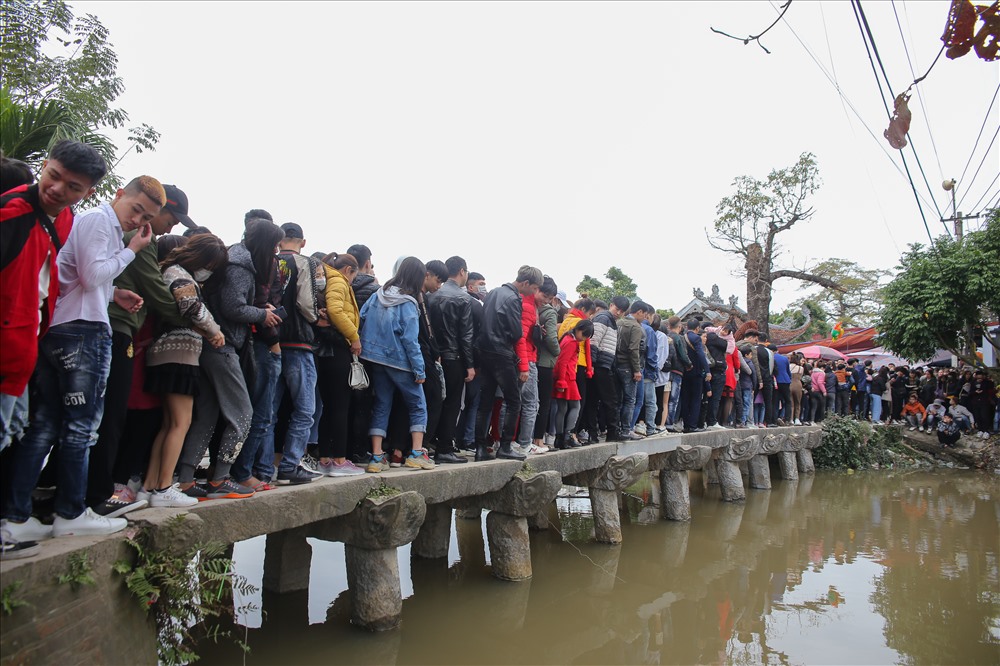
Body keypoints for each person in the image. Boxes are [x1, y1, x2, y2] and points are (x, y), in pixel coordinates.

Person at [3, 175, 162, 540]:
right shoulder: (100, 222)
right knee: (82, 428)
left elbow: (79, 280)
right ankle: (71, 512)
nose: (137, 221)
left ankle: (15, 515)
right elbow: (91, 276)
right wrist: (132, 251)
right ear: (120, 194)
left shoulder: (93, 223)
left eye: (145, 217)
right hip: (82, 334)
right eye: (136, 210)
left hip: (64, 327)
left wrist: (114, 293)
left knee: (44, 426)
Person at [87, 184, 198, 517]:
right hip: (116, 328)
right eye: (171, 217)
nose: (171, 226)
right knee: (109, 417)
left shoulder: (127, 234)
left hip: (113, 323)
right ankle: (96, 496)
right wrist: (197, 318)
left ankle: (88, 493)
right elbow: (157, 292)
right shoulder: (138, 239)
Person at [1, 140, 107, 456]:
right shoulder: (10, 214)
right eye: (54, 175)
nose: (57, 189)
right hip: (7, 346)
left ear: (87, 193)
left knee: (13, 432)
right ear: (45, 164)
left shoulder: (65, 220)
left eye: (73, 186)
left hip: (24, 345)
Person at [178, 219, 284, 500]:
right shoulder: (241, 266)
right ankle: (221, 478)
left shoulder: (237, 260)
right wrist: (262, 315)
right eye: (273, 246)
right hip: (221, 345)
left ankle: (187, 480)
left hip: (216, 344)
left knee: (208, 415)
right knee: (243, 413)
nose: (275, 252)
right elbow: (232, 306)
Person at [142, 234, 228, 507]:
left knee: (168, 425)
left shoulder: (169, 269)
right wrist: (214, 330)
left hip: (166, 352)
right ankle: (165, 487)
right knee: (181, 423)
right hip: (179, 354)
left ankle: (151, 485)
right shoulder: (179, 274)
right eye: (210, 264)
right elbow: (190, 305)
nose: (209, 271)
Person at [359, 257, 435, 471]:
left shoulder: (377, 295)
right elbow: (410, 341)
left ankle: (376, 457)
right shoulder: (408, 303)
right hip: (399, 361)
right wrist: (419, 369)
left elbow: (362, 317)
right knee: (418, 405)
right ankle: (417, 454)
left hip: (374, 357)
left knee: (382, 405)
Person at [473, 265, 543, 461]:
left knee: (485, 402)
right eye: (534, 287)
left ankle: (480, 448)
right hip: (501, 353)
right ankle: (504, 446)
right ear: (526, 283)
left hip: (484, 350)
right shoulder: (514, 298)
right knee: (514, 401)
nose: (534, 292)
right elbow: (516, 332)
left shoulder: (494, 292)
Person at [313, 252, 365, 476]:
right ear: (348, 271)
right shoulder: (338, 281)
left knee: (329, 407)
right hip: (338, 350)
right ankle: (340, 460)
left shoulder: (325, 279)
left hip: (326, 351)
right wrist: (354, 336)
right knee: (340, 407)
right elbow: (336, 310)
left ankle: (325, 459)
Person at [425, 256, 476, 464]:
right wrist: (470, 364)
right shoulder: (463, 299)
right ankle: (445, 447)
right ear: (462, 271)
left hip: (435, 356)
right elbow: (466, 335)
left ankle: (428, 444)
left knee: (435, 402)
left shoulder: (431, 295)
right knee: (453, 403)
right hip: (454, 356)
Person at [553, 320, 595, 448]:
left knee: (562, 408)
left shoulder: (566, 337)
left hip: (563, 376)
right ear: (579, 330)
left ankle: (559, 438)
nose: (584, 339)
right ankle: (568, 435)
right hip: (567, 377)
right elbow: (563, 362)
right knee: (576, 406)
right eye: (585, 335)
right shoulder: (571, 342)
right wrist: (561, 381)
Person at [532, 277, 561, 450]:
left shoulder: (536, 309)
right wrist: (558, 351)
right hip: (545, 362)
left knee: (531, 402)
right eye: (548, 297)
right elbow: (551, 337)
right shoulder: (549, 312)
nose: (549, 301)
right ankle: (538, 439)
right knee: (544, 402)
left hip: (534, 359)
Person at [615, 303, 645, 439]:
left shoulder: (618, 322)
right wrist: (637, 370)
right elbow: (634, 349)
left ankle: (615, 429)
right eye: (644, 314)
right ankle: (626, 430)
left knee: (617, 399)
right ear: (639, 312)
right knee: (629, 400)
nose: (644, 317)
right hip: (628, 366)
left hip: (615, 364)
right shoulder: (636, 327)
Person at [680, 319, 711, 433]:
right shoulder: (696, 338)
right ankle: (693, 425)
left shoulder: (682, 337)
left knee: (685, 398)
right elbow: (701, 355)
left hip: (685, 371)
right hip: (696, 371)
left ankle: (686, 425)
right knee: (696, 399)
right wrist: (707, 371)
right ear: (697, 328)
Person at [968, 369, 996, 440]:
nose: (979, 379)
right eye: (978, 378)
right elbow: (970, 393)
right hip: (975, 402)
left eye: (981, 378)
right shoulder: (973, 383)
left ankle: (986, 430)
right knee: (977, 416)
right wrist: (975, 392)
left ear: (983, 377)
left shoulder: (988, 383)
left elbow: (991, 391)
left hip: (985, 402)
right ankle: (980, 430)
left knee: (985, 416)